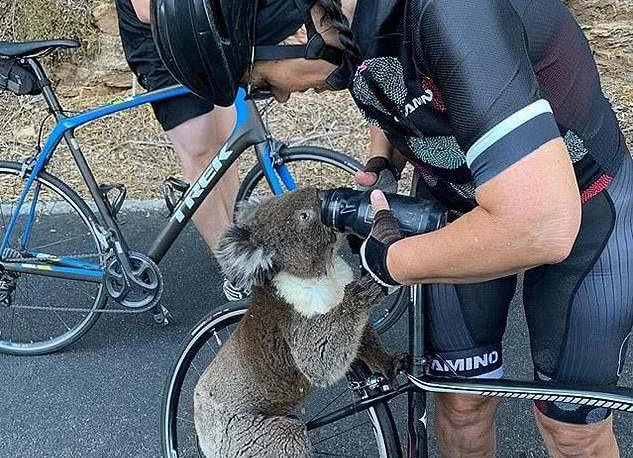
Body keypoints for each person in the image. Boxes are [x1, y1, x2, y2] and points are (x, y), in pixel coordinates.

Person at [151, 0, 633, 456]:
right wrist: (384, 158)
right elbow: (396, 78)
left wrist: (389, 263)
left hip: (585, 208)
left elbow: (541, 224)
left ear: (297, 31)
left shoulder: (451, 13)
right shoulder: (349, 25)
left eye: (258, 81)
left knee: (570, 433)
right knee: (461, 408)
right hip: (453, 203)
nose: (275, 94)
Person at [114, 0, 246, 300]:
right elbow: (147, 11)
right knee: (199, 152)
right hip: (160, 48)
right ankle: (233, 266)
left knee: (226, 146)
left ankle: (239, 244)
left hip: (201, 41)